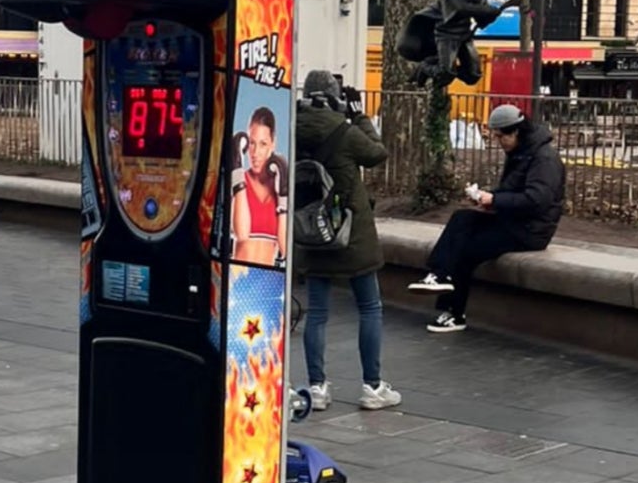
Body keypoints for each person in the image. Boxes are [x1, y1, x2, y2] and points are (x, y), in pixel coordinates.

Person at [409, 103, 565, 332]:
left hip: (531, 230)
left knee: (466, 249)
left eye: (502, 136)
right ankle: (438, 274)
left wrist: (495, 200)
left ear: (517, 132)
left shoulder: (544, 159)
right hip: (514, 220)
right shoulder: (520, 152)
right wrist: (487, 199)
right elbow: (512, 190)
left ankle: (454, 313)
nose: (498, 141)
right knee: (462, 219)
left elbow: (536, 200)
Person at [294, 70, 398, 411]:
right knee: (369, 307)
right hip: (350, 232)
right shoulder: (345, 129)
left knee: (318, 313)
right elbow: (378, 153)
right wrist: (359, 115)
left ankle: (317, 387)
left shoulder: (290, 126)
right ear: (335, 95)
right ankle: (372, 386)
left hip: (310, 228)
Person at [231, 107, 287, 266]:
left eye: (263, 144)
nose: (255, 153)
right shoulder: (240, 181)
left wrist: (283, 197)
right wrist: (237, 175)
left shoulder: (278, 185)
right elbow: (242, 234)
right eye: (252, 143)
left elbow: (285, 249)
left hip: (271, 281)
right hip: (238, 277)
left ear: (273, 144)